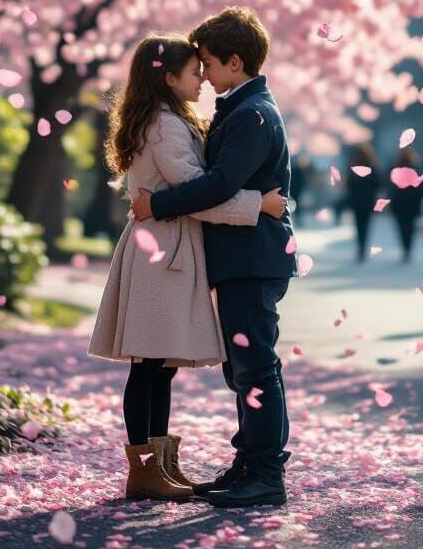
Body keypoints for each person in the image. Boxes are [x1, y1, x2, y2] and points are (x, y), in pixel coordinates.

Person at [89, 34, 287, 501]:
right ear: (168, 77)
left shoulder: (167, 119)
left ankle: (157, 463)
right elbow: (202, 192)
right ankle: (145, 469)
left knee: (158, 365)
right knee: (150, 363)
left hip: (166, 247)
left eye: (205, 68)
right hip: (165, 251)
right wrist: (259, 204)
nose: (202, 78)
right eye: (194, 71)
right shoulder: (165, 125)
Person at [344, 143, 380, 262]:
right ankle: (363, 246)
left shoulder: (353, 166)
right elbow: (377, 183)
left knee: (359, 225)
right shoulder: (372, 166)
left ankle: (361, 247)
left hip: (356, 201)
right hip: (368, 201)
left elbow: (348, 184)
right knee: (366, 225)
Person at [388, 147, 423, 262]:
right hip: (410, 203)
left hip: (400, 204)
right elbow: (421, 187)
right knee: (409, 228)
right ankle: (407, 248)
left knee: (403, 227)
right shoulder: (415, 168)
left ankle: (406, 248)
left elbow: (391, 187)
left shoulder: (396, 169)